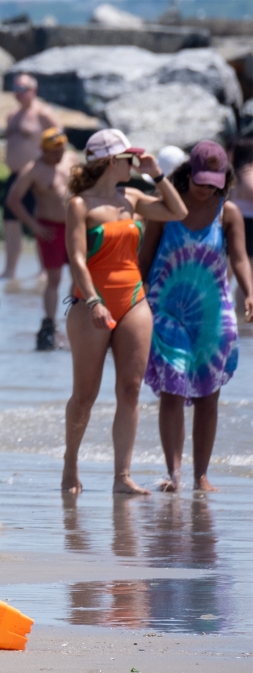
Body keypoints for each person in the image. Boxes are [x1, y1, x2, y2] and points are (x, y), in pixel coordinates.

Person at [60, 129, 187, 496]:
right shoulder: (79, 205)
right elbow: (78, 260)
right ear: (109, 162)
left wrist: (157, 174)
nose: (134, 162)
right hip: (90, 304)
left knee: (130, 390)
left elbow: (177, 212)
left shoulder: (132, 197)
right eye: (129, 157)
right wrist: (95, 301)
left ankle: (122, 477)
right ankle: (71, 465)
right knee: (85, 395)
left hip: (134, 300)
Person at [140, 140, 253, 493]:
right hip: (167, 310)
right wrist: (132, 301)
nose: (206, 190)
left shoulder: (227, 212)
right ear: (188, 174)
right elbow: (143, 259)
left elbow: (238, 258)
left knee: (209, 396)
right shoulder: (164, 209)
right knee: (171, 391)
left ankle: (201, 475)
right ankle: (174, 475)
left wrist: (249, 291)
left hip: (212, 315)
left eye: (213, 184)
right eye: (200, 182)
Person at [6, 128, 77, 347]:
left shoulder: (71, 161)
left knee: (79, 275)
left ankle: (73, 321)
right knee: (53, 279)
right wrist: (34, 226)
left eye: (61, 150)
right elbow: (13, 200)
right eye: (54, 151)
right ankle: (49, 323)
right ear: (43, 150)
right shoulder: (33, 170)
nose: (58, 155)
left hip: (74, 226)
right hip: (50, 228)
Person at [0, 73, 60, 281]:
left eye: (23, 89)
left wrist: (48, 167)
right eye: (16, 89)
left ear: (34, 91)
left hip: (35, 176)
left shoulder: (43, 114)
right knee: (10, 221)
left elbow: (59, 140)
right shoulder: (12, 116)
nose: (19, 93)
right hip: (14, 175)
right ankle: (9, 270)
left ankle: (44, 270)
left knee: (39, 221)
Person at [229, 138, 253, 325]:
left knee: (238, 273)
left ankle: (240, 312)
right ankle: (243, 313)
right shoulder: (247, 173)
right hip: (247, 224)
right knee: (247, 273)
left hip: (239, 222)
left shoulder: (234, 173)